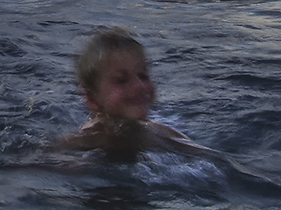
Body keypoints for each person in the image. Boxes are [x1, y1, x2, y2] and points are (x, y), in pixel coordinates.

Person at [53, 27, 214, 161]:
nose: (139, 86)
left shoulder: (160, 133)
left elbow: (208, 158)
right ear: (92, 98)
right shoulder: (83, 142)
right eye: (121, 80)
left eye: (143, 76)